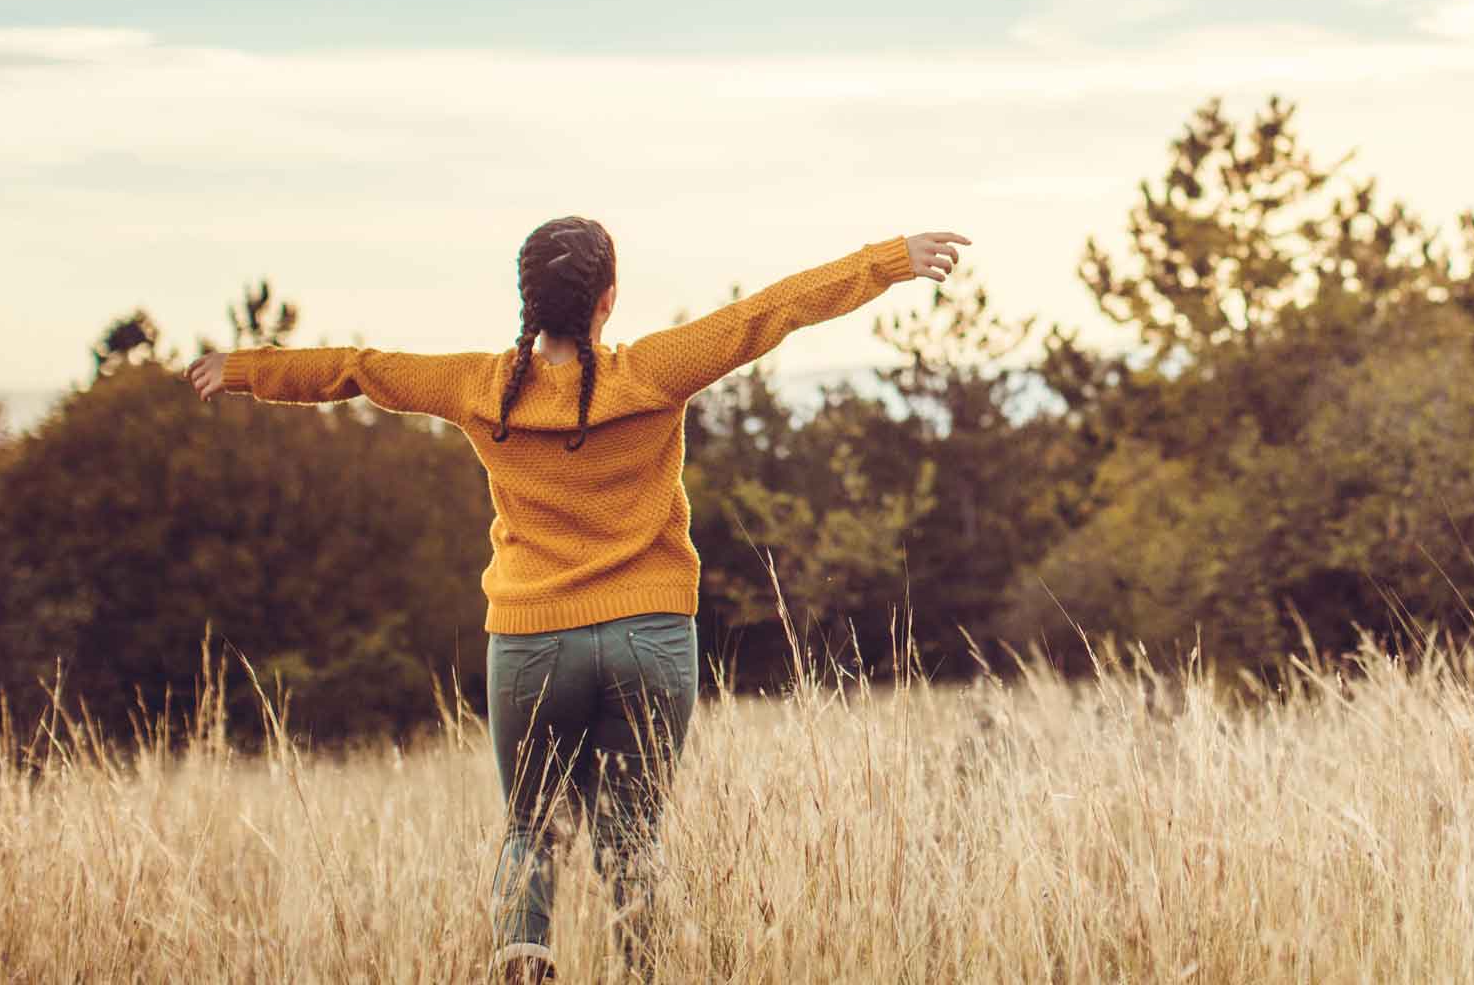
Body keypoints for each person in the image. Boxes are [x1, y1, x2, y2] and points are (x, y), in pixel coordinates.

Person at [183, 220, 969, 982]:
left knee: (532, 829)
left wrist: (248, 368)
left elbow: (358, 367)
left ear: (528, 302)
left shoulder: (477, 386)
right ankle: (641, 970)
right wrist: (891, 259)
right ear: (608, 299)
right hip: (652, 637)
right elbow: (770, 311)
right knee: (632, 838)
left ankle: (523, 954)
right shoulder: (654, 371)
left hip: (532, 640)